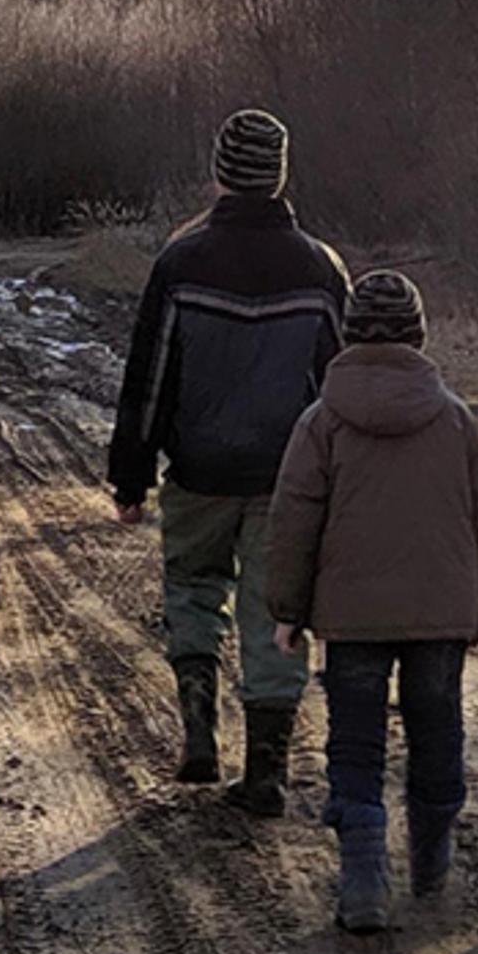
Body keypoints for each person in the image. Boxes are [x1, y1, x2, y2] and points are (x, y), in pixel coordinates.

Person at [107, 107, 351, 813]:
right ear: (280, 176)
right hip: (287, 479)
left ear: (218, 174)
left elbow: (148, 380)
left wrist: (130, 475)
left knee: (192, 591)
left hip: (199, 472)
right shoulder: (320, 267)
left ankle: (198, 729)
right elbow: (342, 384)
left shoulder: (180, 263)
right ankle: (268, 768)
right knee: (275, 611)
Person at [264, 270, 478, 933]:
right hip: (439, 616)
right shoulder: (455, 419)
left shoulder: (321, 422)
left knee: (355, 745)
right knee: (437, 730)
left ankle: (364, 881)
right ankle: (431, 860)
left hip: (352, 620)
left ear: (347, 334)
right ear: (420, 335)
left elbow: (293, 520)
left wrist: (286, 608)